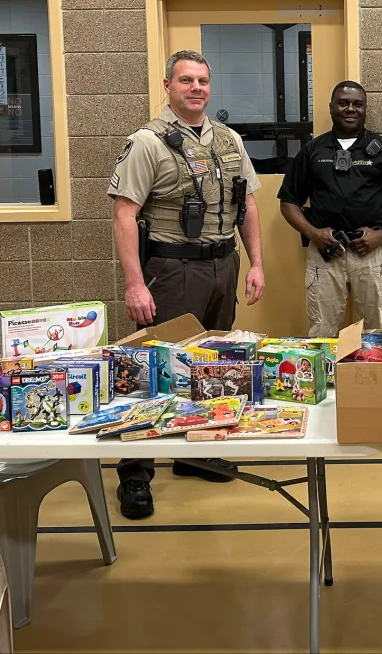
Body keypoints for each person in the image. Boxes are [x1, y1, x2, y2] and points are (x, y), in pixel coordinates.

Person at [109, 50, 265, 520]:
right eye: (185, 80)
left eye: (202, 80)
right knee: (154, 369)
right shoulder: (147, 143)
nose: (196, 88)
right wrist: (135, 285)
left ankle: (195, 452)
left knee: (211, 365)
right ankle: (135, 473)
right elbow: (124, 215)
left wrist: (256, 264)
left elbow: (248, 207)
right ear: (167, 86)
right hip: (172, 269)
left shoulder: (229, 140)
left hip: (222, 265)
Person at [278, 81, 382, 338]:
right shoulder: (313, 151)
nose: (350, 109)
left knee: (378, 333)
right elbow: (288, 203)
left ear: (365, 109)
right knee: (321, 332)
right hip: (326, 254)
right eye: (343, 103)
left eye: (357, 104)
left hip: (372, 254)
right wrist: (313, 234)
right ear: (331, 107)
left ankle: (374, 367)